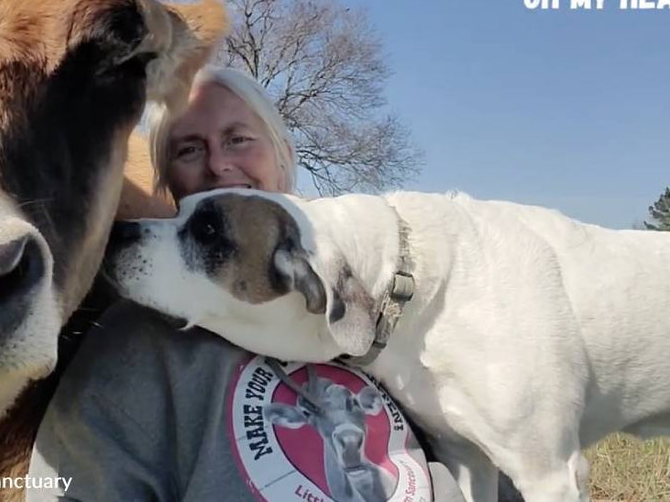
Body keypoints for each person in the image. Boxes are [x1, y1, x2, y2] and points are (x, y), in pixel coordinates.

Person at [26, 67, 469, 502]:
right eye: (189, 150)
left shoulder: (376, 297)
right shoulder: (137, 337)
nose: (219, 164)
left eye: (238, 139)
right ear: (169, 182)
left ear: (284, 154)